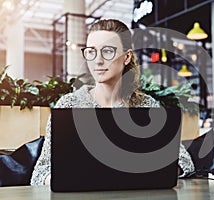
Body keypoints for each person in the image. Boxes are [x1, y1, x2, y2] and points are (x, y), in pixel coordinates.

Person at [30, 19, 195, 185]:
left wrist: (151, 171)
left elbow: (183, 161)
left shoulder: (145, 106)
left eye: (107, 51)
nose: (98, 61)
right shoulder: (68, 106)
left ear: (127, 57)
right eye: (91, 52)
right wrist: (67, 181)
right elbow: (41, 172)